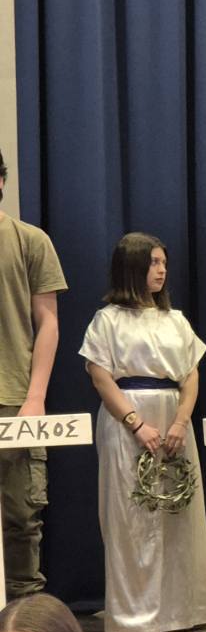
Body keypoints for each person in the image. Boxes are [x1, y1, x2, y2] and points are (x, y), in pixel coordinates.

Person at [80, 233, 206, 632]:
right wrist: (135, 423)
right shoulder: (107, 320)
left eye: (164, 263)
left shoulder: (176, 320)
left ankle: (182, 610)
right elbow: (101, 377)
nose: (161, 270)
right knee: (130, 516)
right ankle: (134, 613)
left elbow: (190, 376)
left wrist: (180, 422)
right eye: (154, 262)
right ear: (133, 267)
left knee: (177, 514)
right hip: (127, 421)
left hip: (173, 420)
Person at [0, 147, 67, 600]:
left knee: (22, 517)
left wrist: (35, 396)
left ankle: (24, 615)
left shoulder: (30, 241)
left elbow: (48, 323)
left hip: (15, 396)